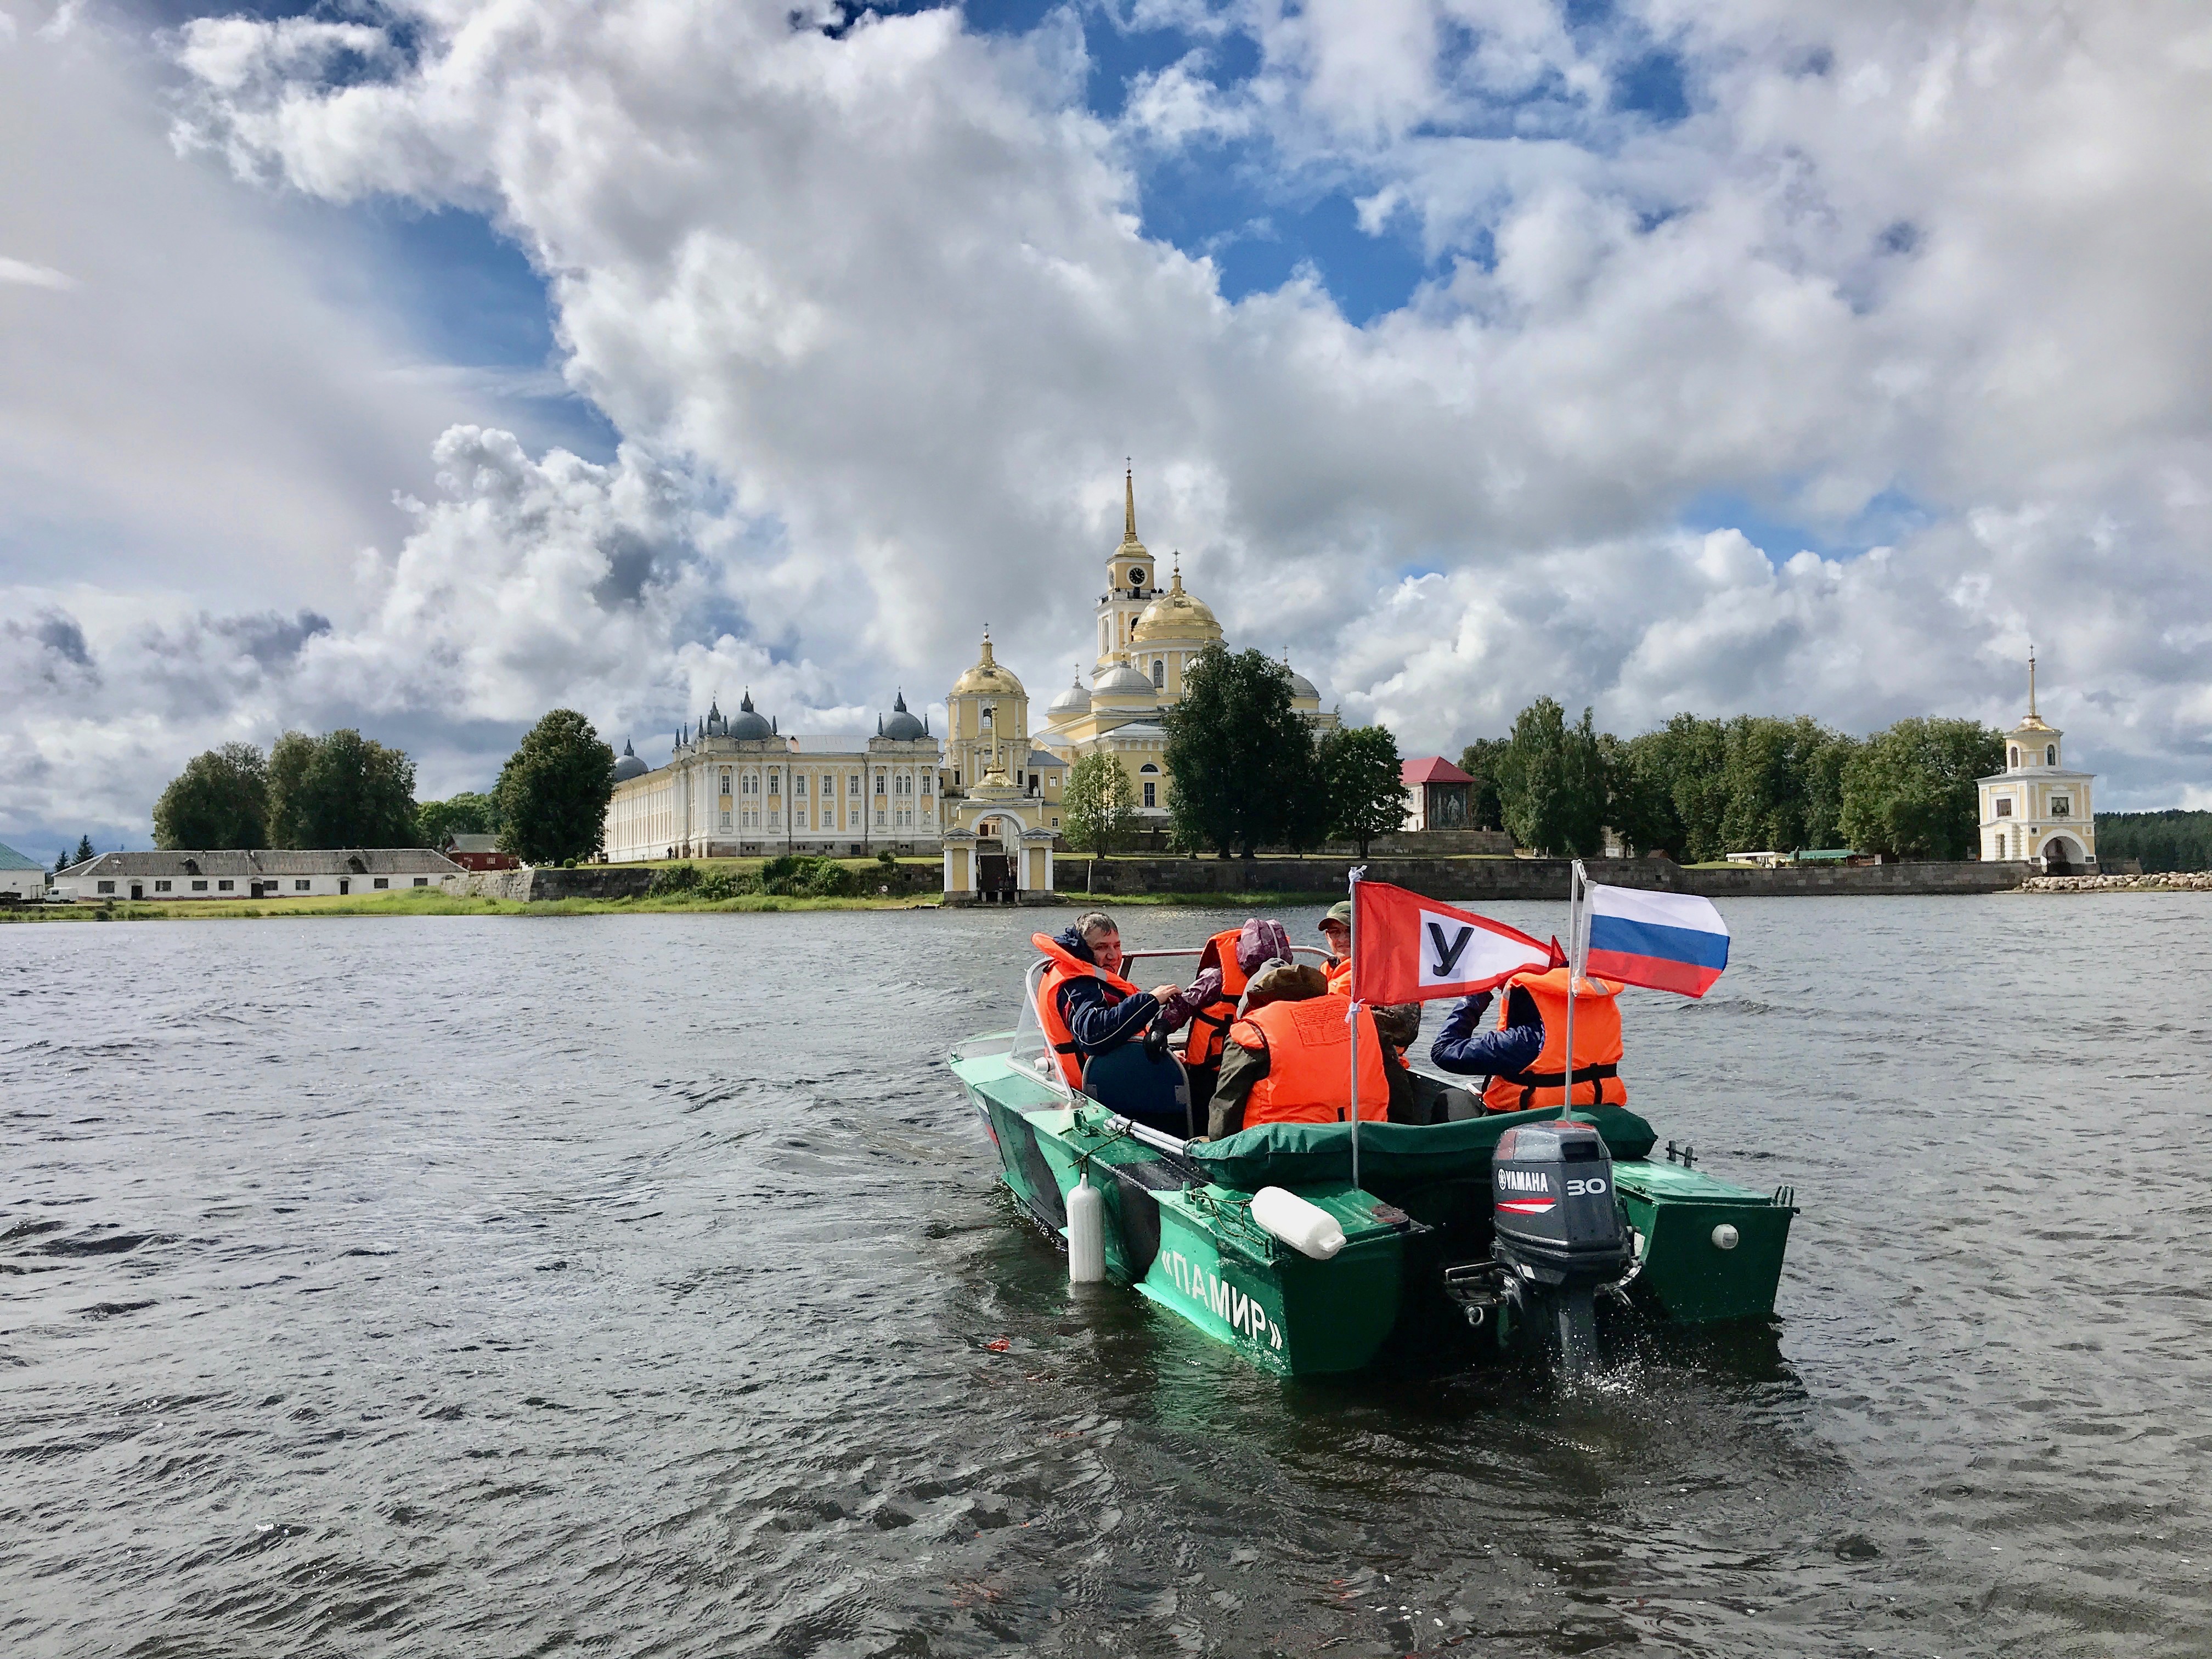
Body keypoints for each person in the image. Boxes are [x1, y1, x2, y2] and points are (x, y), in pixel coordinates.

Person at [1205, 964, 1391, 1137]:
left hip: (1280, 1154)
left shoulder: (1253, 1031)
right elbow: (1399, 1088)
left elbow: (1227, 1108)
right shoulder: (1362, 1016)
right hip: (1366, 1144)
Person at [1031, 912, 1189, 1091]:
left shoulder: (1083, 976)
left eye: (1117, 946)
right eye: (1102, 947)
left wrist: (1168, 1056)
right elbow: (1092, 1038)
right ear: (1083, 949)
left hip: (1117, 1074)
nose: (1114, 956)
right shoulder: (1078, 986)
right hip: (1099, 1092)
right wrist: (1150, 1001)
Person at [1456, 967, 1626, 1113]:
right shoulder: (1602, 1028)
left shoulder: (1524, 1040)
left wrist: (1475, 997)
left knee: (1453, 1099)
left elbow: (1443, 1051)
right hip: (1596, 1107)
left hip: (1530, 1119)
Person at [1183, 919, 1291, 1099]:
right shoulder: (1216, 977)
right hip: (1211, 1068)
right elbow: (1184, 1003)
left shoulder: (1288, 977)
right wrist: (1162, 1028)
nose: (1266, 973)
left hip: (1258, 1065)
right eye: (1259, 968)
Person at [1317, 900, 1355, 994]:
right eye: (1335, 932)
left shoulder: (1370, 976)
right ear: (1327, 937)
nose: (1342, 939)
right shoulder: (1326, 968)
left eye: (1350, 931)